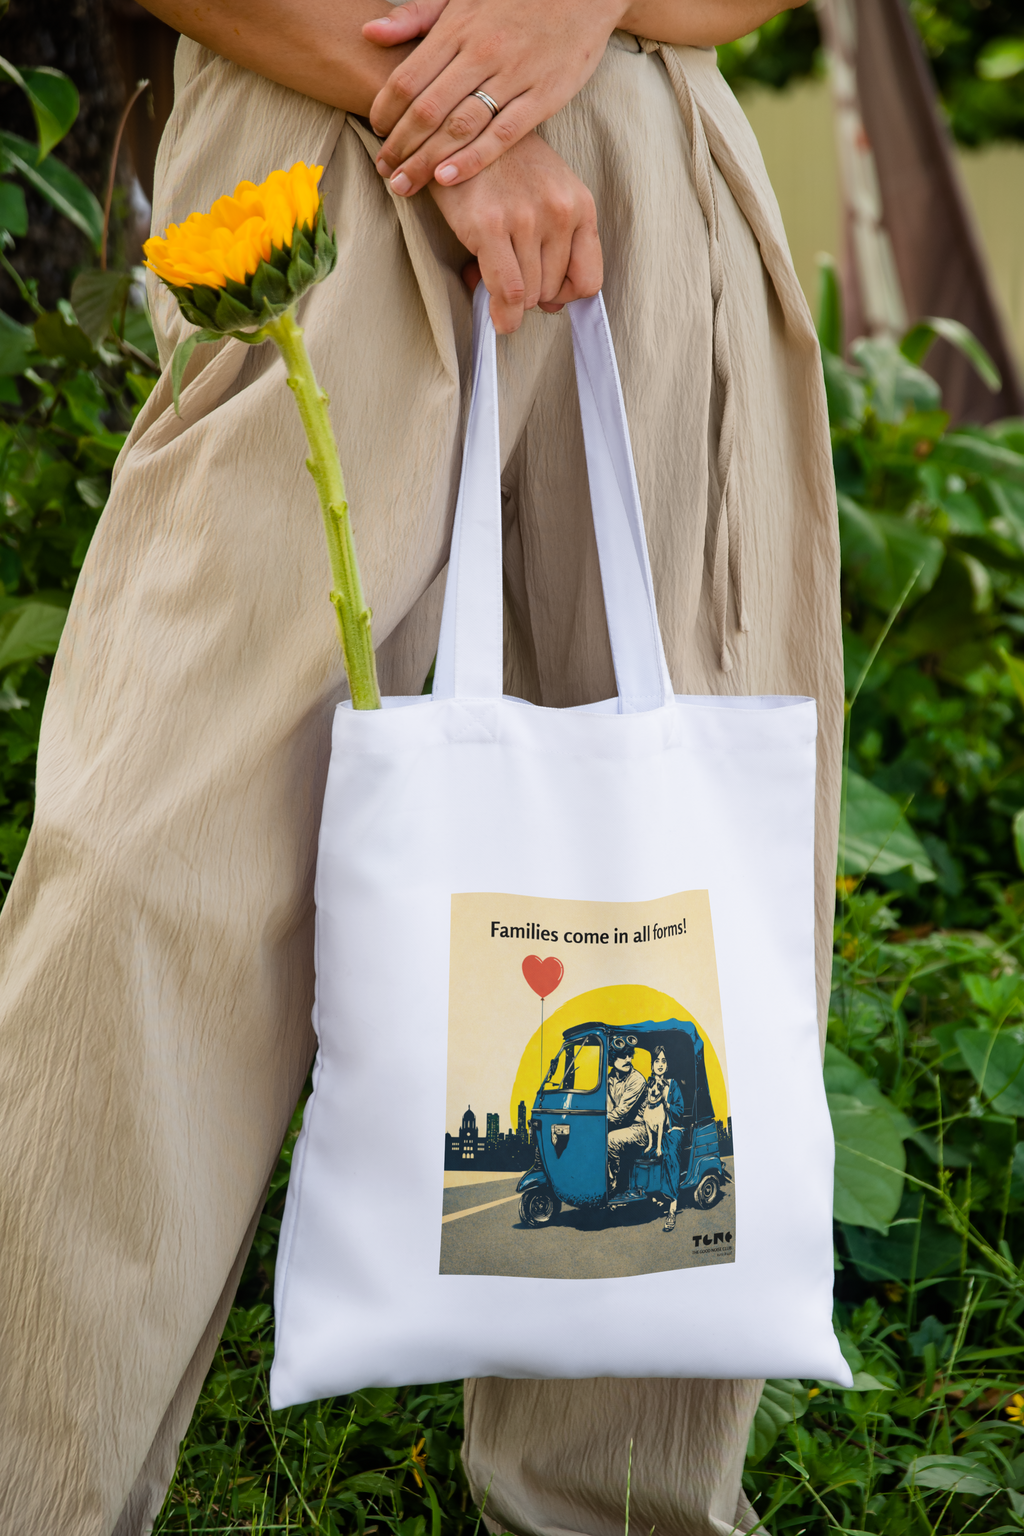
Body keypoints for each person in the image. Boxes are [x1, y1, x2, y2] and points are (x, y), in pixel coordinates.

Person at [0, 0, 844, 1527]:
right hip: (312, 164)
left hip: (658, 191)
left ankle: (617, 1505)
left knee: (653, 918)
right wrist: (466, 122)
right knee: (139, 877)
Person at [646, 1042, 687, 1233]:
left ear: (667, 1065)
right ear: (652, 1064)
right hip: (654, 1130)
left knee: (670, 1152)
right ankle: (651, 1196)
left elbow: (680, 1109)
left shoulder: (673, 1085)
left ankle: (672, 1207)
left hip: (673, 1129)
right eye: (657, 1060)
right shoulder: (649, 1085)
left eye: (664, 1060)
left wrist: (666, 1103)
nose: (660, 1064)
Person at [605, 1035, 648, 1191]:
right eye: (623, 1056)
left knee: (611, 1139)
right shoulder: (609, 1078)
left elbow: (621, 1112)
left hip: (640, 1128)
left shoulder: (637, 1080)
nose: (628, 1059)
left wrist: (598, 1121)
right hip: (622, 1126)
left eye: (630, 1055)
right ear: (613, 1058)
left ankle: (615, 1182)